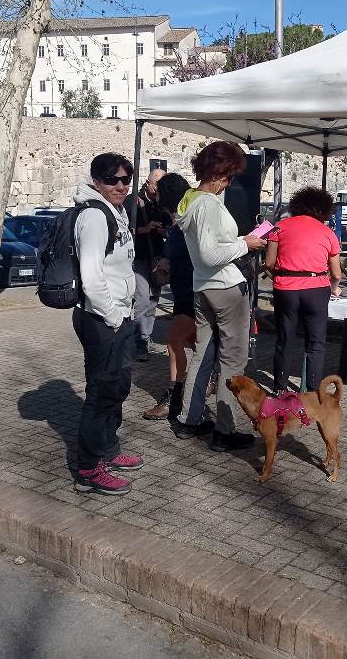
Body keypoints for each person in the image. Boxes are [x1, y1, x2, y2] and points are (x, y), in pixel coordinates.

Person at [174, 141, 267, 451]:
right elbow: (212, 254)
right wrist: (246, 245)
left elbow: (205, 251)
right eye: (229, 177)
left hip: (202, 287)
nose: (229, 183)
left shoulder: (189, 201)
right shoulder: (209, 205)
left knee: (202, 355)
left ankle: (189, 418)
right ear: (219, 174)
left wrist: (239, 240)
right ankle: (224, 431)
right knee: (232, 361)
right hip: (226, 288)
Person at [71, 153, 144, 496]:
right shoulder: (94, 217)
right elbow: (91, 276)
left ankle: (108, 450)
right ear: (96, 180)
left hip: (119, 318)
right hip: (102, 320)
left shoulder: (117, 213)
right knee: (100, 395)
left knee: (117, 389)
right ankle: (88, 468)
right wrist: (114, 316)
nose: (120, 186)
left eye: (125, 180)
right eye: (113, 179)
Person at [142, 173, 218, 421]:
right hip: (186, 290)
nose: (153, 193)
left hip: (194, 290)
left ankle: (175, 397)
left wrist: (169, 261)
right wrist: (167, 261)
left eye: (157, 190)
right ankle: (202, 382)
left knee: (175, 341)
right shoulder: (179, 222)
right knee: (193, 341)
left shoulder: (188, 220)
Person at [264, 187, 343, 393]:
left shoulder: (278, 228)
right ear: (324, 210)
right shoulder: (328, 233)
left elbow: (269, 263)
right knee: (316, 344)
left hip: (285, 289)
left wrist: (282, 278)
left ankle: (279, 389)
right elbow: (336, 273)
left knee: (284, 340)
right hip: (317, 290)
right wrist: (334, 289)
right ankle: (312, 392)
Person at [127, 168, 170, 362]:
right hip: (139, 257)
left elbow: (170, 227)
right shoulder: (132, 201)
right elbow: (124, 230)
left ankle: (147, 337)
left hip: (157, 257)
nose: (157, 190)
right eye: (156, 185)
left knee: (153, 300)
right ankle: (140, 342)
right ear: (147, 182)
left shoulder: (162, 202)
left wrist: (163, 231)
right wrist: (145, 229)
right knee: (142, 300)